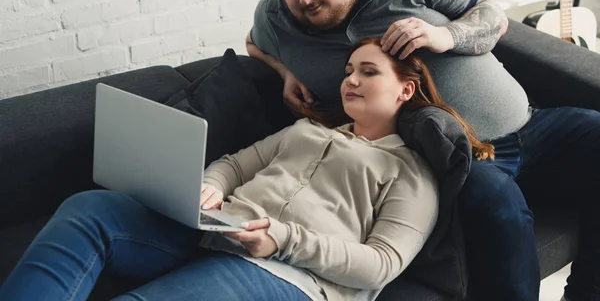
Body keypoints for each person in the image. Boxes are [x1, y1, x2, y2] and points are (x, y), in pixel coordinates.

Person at [245, 0, 600, 301]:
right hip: (460, 159)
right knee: (499, 207)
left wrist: (443, 35)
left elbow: (494, 18)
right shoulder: (277, 16)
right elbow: (252, 43)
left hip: (531, 124)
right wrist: (283, 71)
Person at [0, 39, 493, 301]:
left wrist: (284, 239)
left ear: (405, 90)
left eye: (369, 71)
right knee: (90, 210)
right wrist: (209, 189)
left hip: (290, 275)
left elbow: (382, 265)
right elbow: (234, 165)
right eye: (348, 71)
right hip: (213, 231)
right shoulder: (307, 130)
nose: (352, 79)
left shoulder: (414, 171)